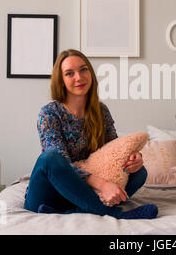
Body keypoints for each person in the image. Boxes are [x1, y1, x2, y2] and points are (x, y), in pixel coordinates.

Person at [23, 49, 158, 219]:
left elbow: (115, 150)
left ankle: (74, 211)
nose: (79, 77)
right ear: (61, 81)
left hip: (81, 196)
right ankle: (115, 214)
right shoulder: (49, 113)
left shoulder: (101, 111)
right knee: (49, 158)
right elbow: (60, 162)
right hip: (47, 197)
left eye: (83, 69)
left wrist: (133, 159)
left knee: (140, 173)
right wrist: (102, 184)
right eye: (69, 73)